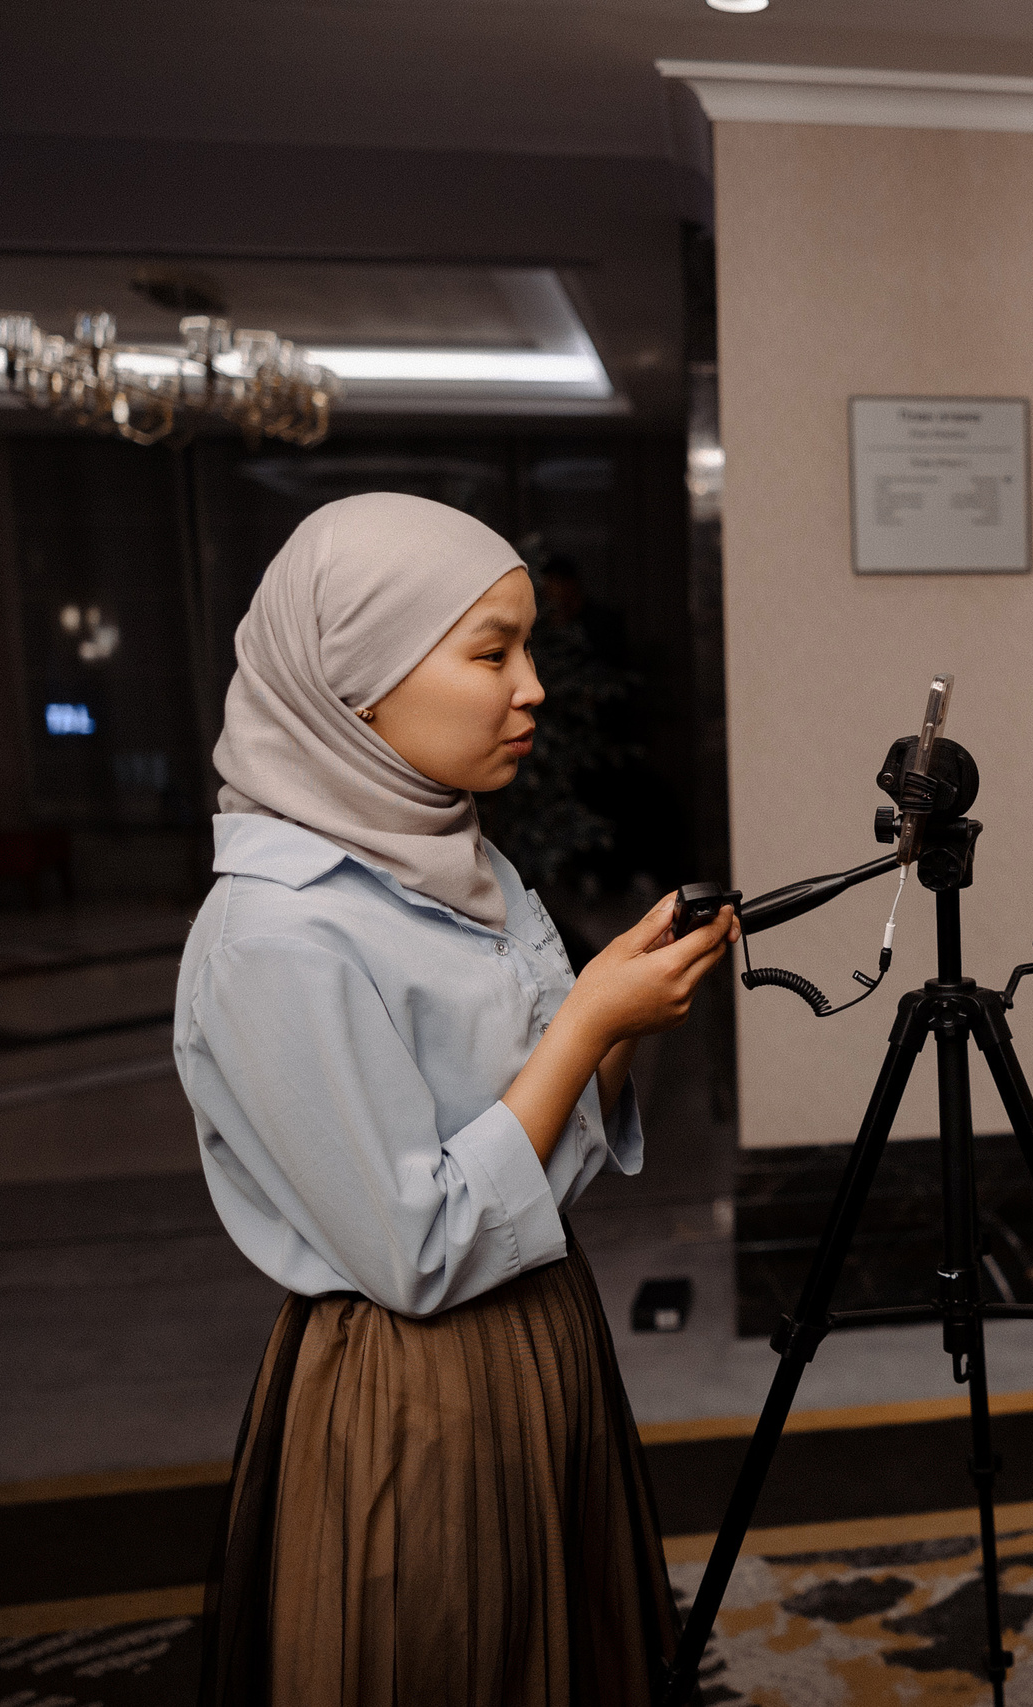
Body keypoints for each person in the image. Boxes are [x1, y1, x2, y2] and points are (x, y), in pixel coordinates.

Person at [178, 494, 736, 1705]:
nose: (530, 687)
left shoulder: (464, 860)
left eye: (527, 646)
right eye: (491, 652)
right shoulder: (275, 935)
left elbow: (543, 1156)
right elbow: (419, 1249)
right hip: (411, 1389)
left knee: (564, 1650)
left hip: (546, 1327)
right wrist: (590, 1019)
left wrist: (614, 1018)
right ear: (353, 683)